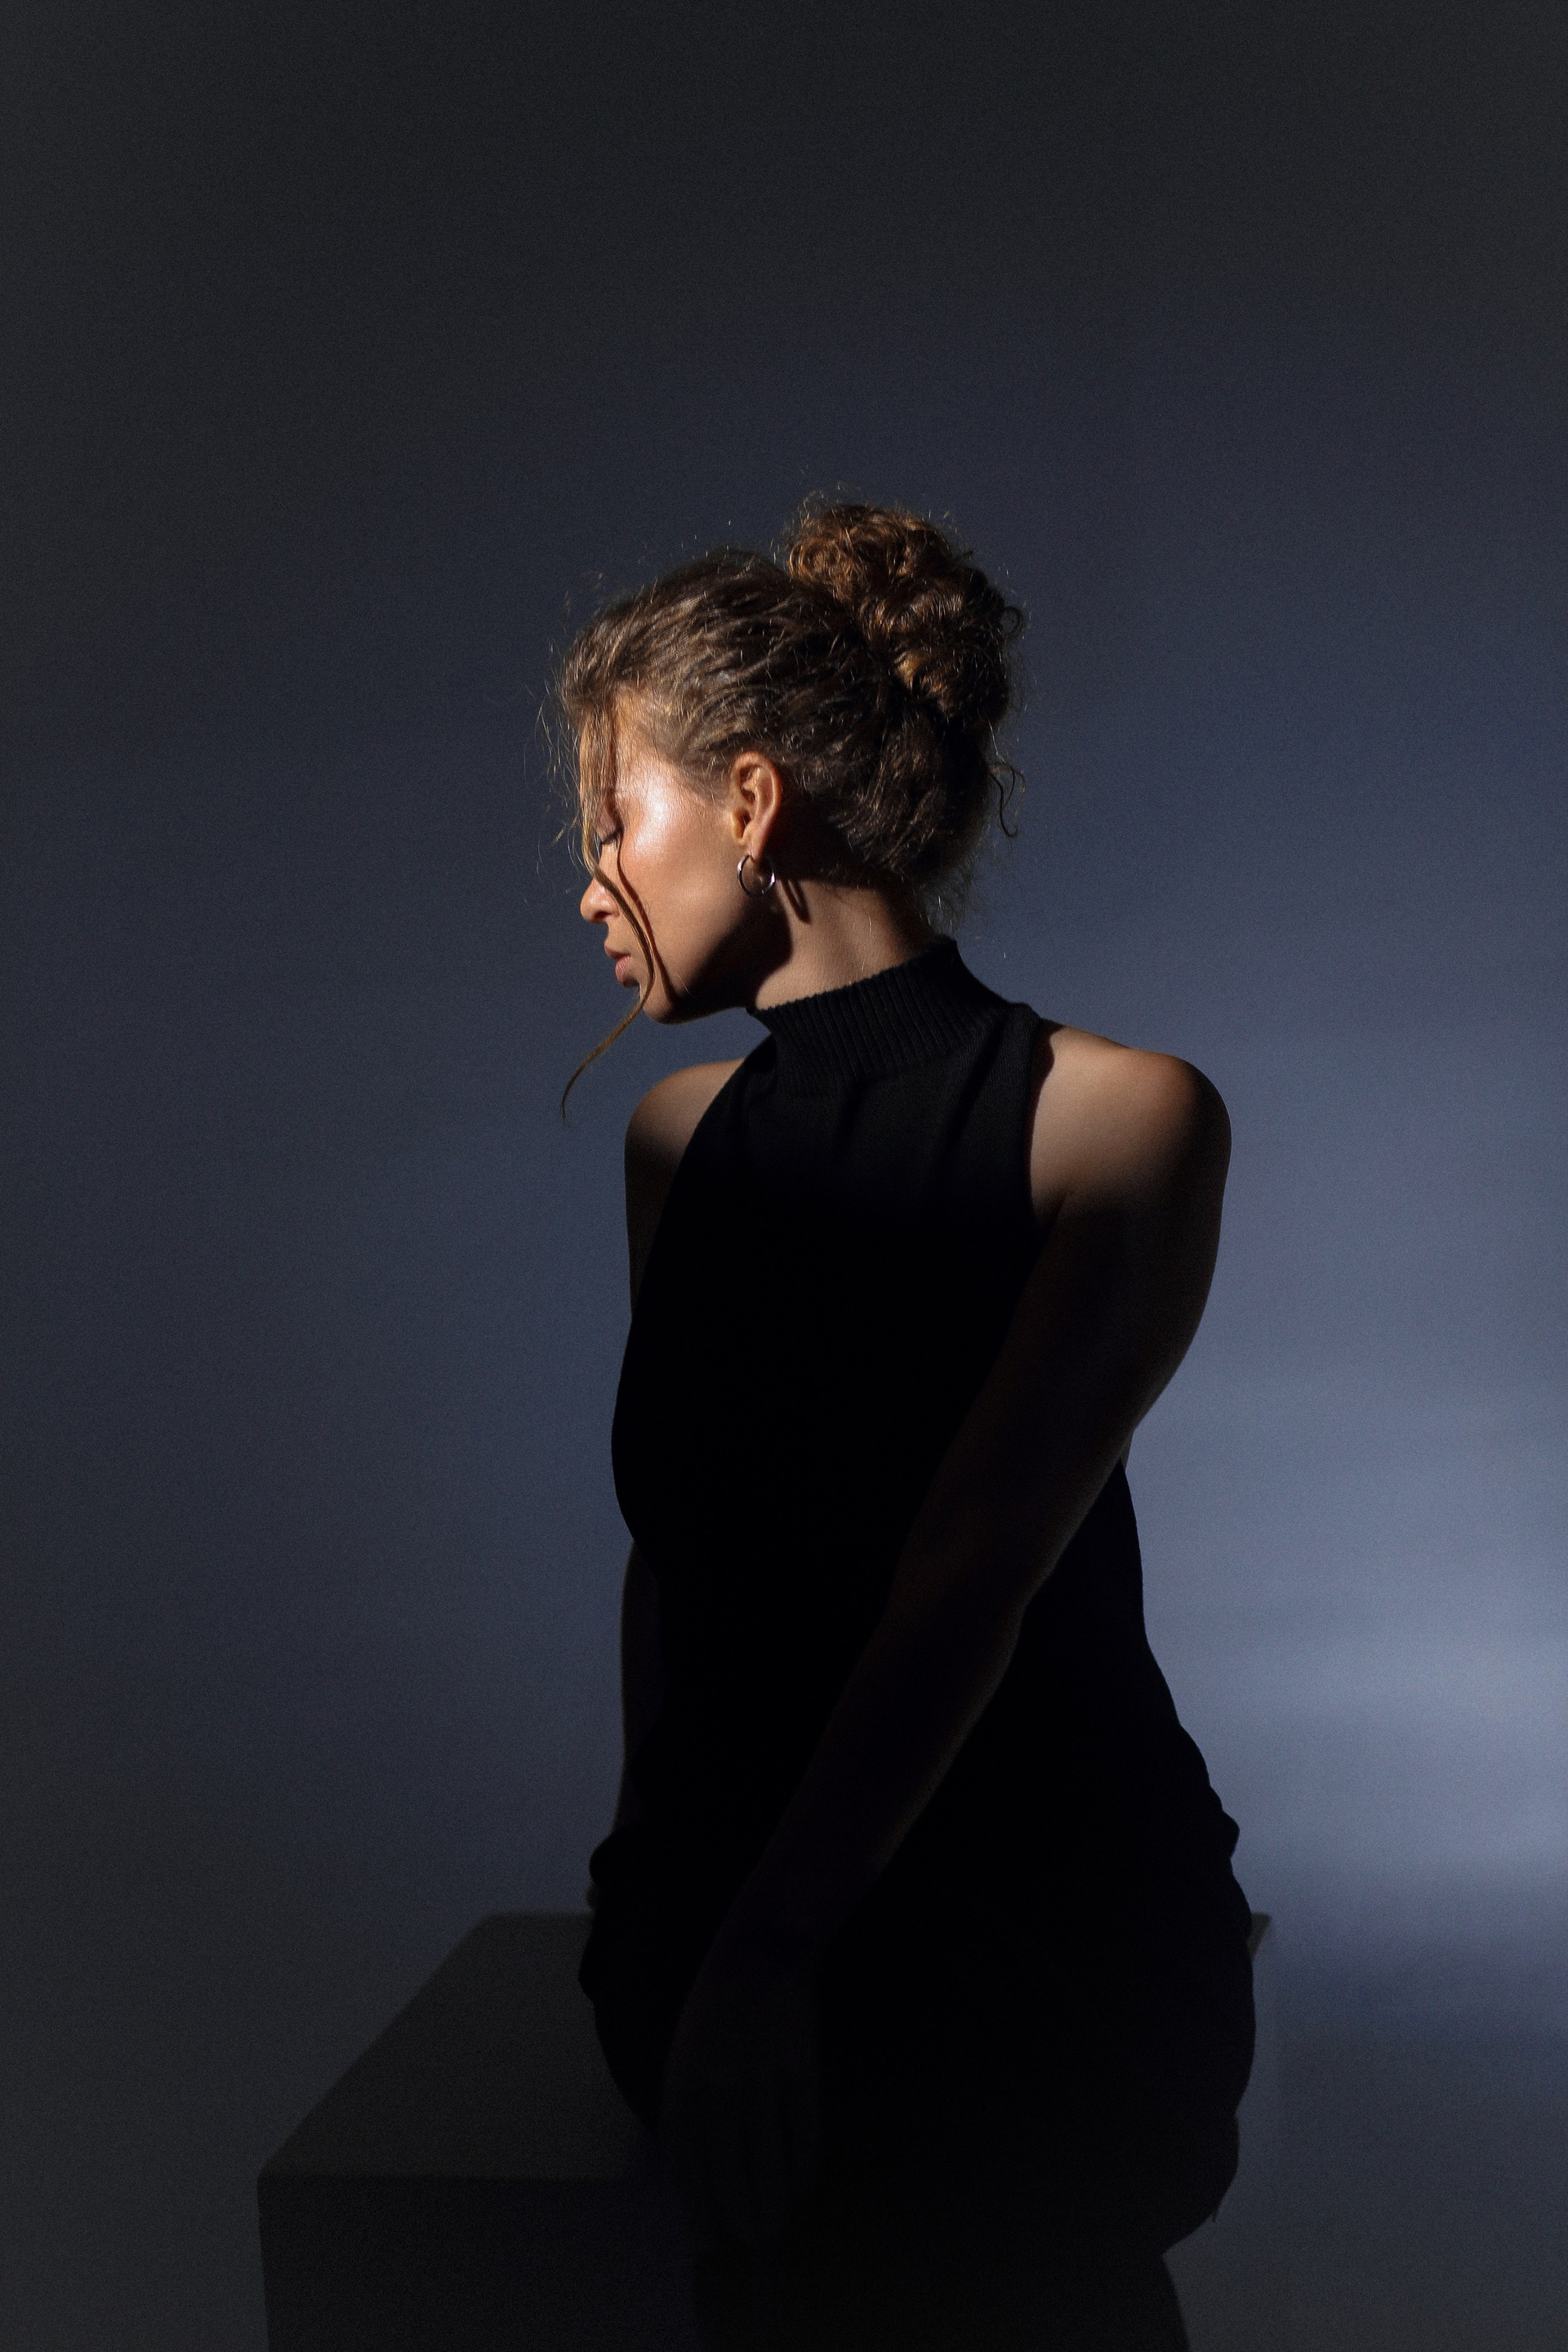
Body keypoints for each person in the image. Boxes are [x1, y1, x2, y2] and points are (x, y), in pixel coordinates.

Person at [562, 502, 1254, 2350]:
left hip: (1040, 1930)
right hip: (723, 1912)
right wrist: (654, 1884)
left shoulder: (1124, 1124)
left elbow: (974, 1568)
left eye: (612, 821)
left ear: (753, 803)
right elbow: (677, 1552)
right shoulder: (677, 1145)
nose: (590, 887)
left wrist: (768, 1947)